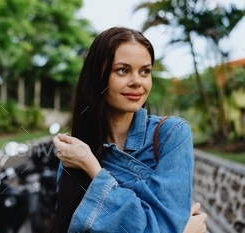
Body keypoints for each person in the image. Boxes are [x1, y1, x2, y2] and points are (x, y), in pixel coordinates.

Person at [45, 27, 208, 233]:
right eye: (123, 70)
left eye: (145, 71)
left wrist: (94, 170)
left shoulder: (171, 134)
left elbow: (165, 227)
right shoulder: (77, 151)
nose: (137, 82)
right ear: (97, 77)